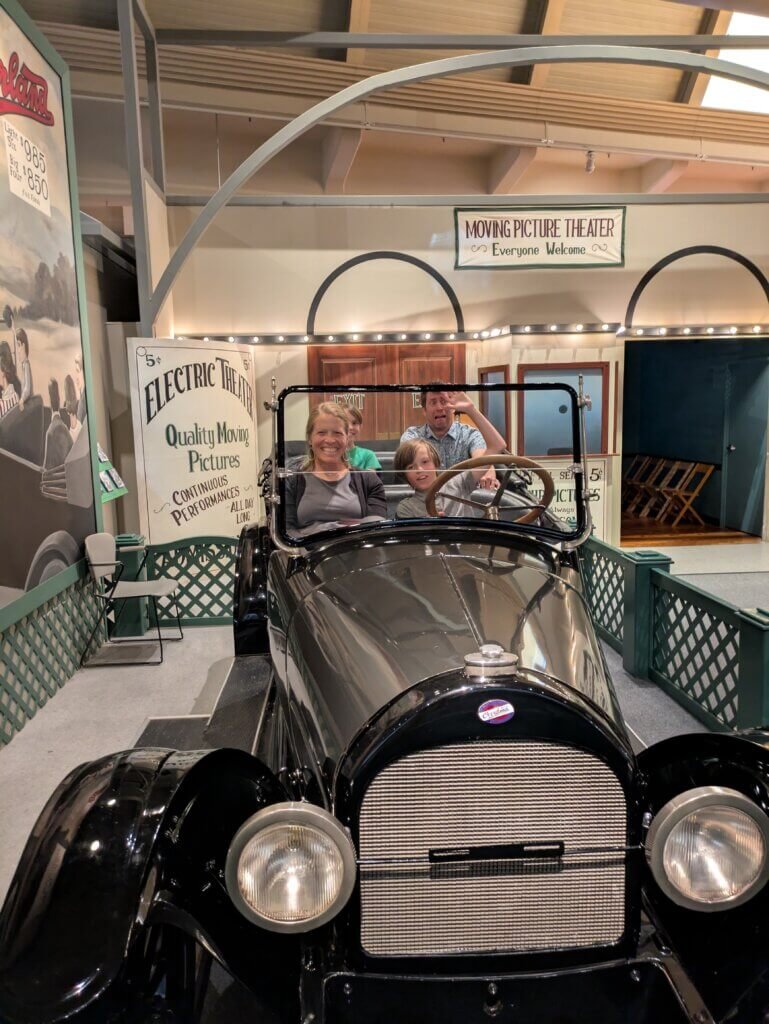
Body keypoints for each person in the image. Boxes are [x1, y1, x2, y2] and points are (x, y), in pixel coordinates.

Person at [285, 402, 386, 536]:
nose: (330, 440)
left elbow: (376, 526)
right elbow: (287, 531)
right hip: (307, 548)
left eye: (337, 433)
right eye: (321, 433)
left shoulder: (369, 481)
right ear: (309, 438)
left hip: (354, 547)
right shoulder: (291, 482)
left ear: (347, 437)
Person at [399, 384, 506, 489]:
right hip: (426, 497)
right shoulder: (412, 435)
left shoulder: (470, 434)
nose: (439, 408)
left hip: (461, 496)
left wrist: (471, 409)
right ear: (424, 411)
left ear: (454, 408)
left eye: (443, 401)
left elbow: (483, 457)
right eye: (433, 402)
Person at [394, 438, 489, 519]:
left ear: (435, 463)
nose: (419, 470)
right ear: (404, 475)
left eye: (425, 462)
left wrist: (476, 419)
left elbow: (495, 447)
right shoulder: (406, 508)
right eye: (411, 467)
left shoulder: (458, 482)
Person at [43, 378, 73, 470]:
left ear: (49, 402)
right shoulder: (66, 429)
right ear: (59, 400)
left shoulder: (50, 433)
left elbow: (47, 471)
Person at [343, 403, 381, 471]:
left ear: (360, 427)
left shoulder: (368, 455)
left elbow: (371, 477)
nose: (350, 427)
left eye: (354, 423)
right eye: (345, 423)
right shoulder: (329, 456)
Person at [16, 329, 32, 411]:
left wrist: (22, 399)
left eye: (19, 345)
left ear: (24, 345)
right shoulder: (23, 365)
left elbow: (27, 388)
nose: (18, 350)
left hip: (28, 405)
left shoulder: (26, 364)